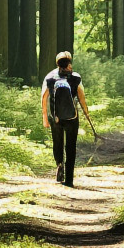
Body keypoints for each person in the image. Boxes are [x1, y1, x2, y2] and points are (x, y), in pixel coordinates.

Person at [41, 51, 92, 186]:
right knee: (70, 147)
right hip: (72, 117)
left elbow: (44, 97)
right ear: (69, 63)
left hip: (55, 117)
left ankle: (59, 164)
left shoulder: (50, 77)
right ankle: (69, 179)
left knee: (57, 144)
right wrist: (87, 114)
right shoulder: (75, 78)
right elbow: (81, 98)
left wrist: (45, 116)